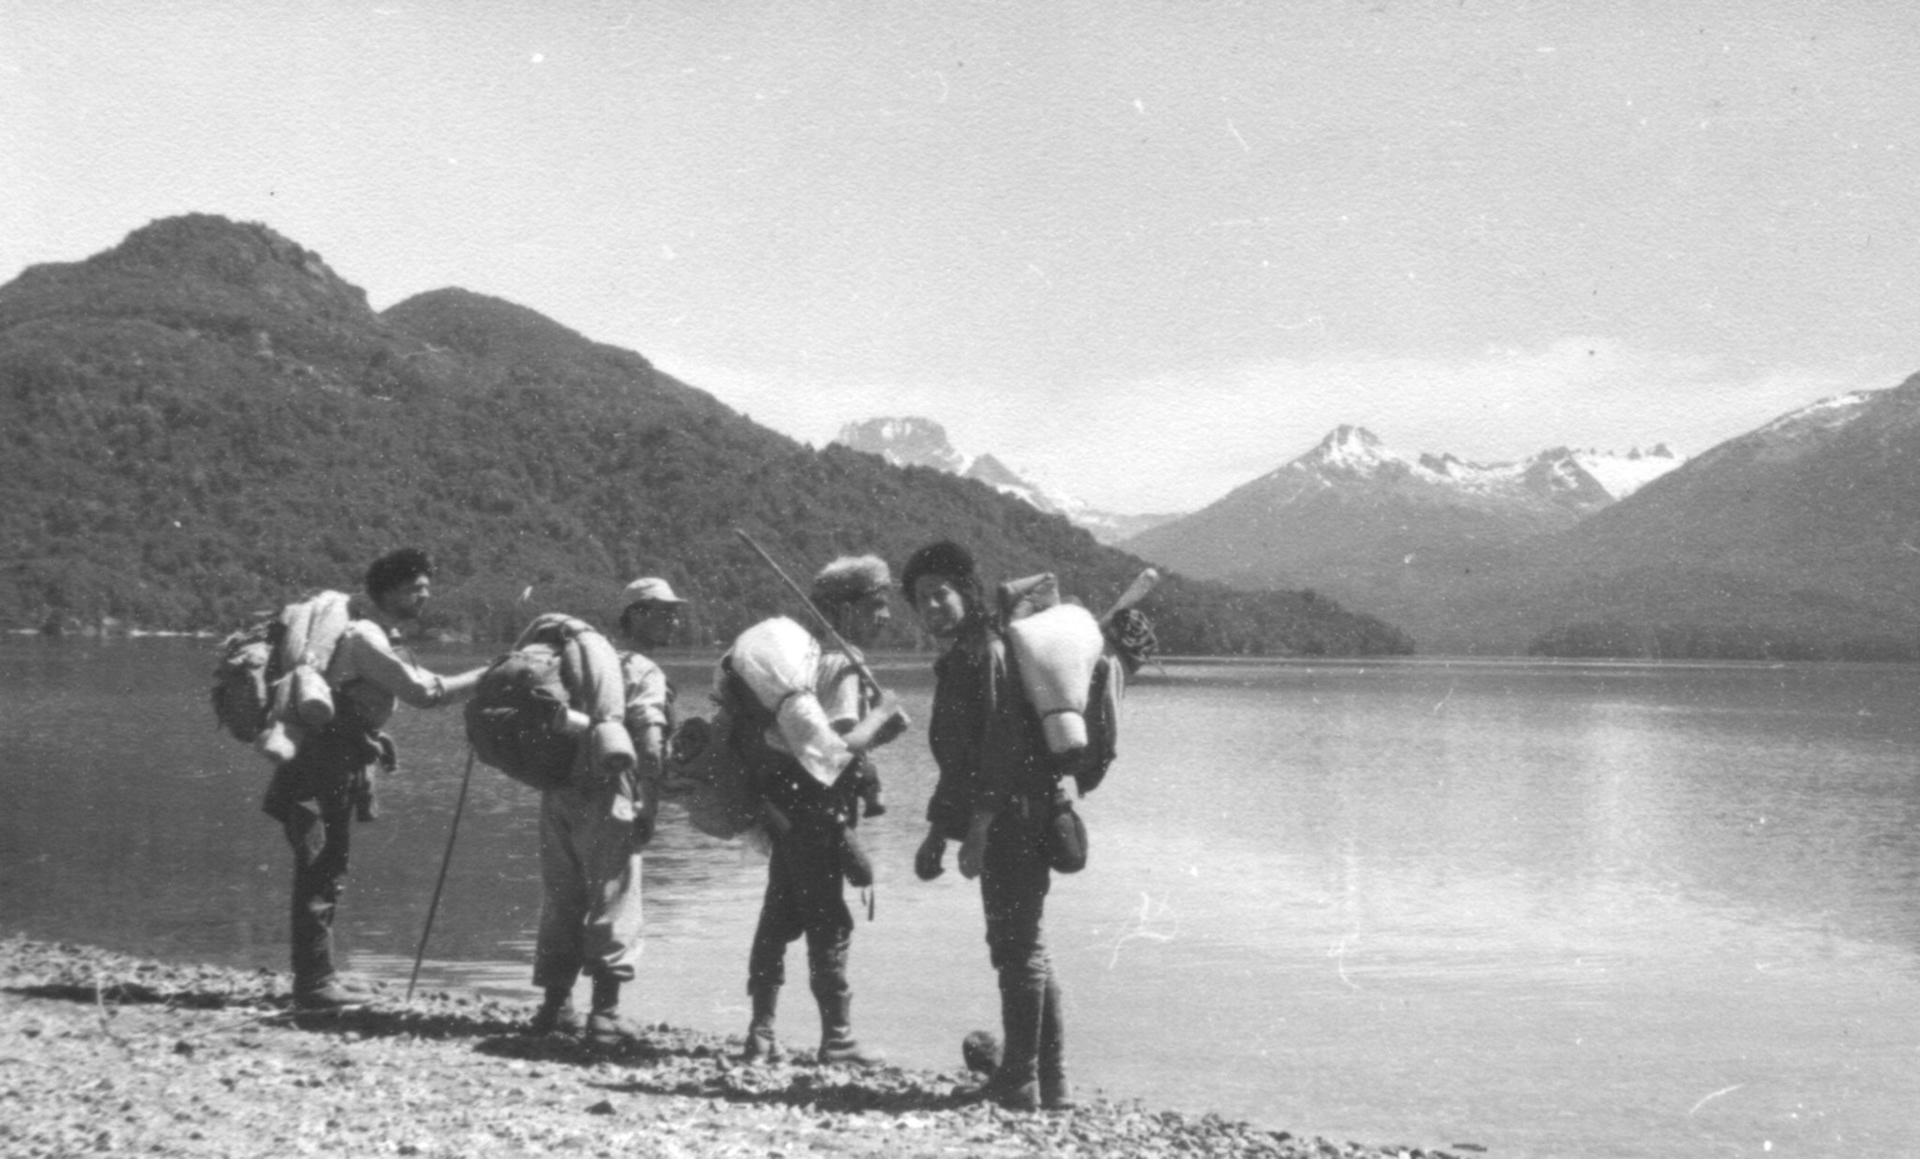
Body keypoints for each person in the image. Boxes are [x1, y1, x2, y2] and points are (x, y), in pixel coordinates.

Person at [261, 548, 487, 1012]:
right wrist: (487, 677)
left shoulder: (372, 633)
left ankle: (320, 974)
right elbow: (425, 692)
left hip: (322, 760)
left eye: (426, 587)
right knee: (321, 866)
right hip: (325, 765)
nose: (424, 596)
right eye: (414, 588)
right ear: (388, 591)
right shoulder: (365, 637)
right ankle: (314, 985)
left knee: (324, 865)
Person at [904, 540, 1074, 1111]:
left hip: (1013, 819)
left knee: (1017, 948)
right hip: (1015, 815)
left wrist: (975, 830)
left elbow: (1000, 751)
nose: (932, 607)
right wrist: (937, 831)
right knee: (1026, 946)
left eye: (941, 593)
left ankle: (1021, 1080)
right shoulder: (964, 656)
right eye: (921, 599)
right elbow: (960, 763)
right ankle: (1051, 1082)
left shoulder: (988, 653)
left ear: (967, 592)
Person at [738, 555, 908, 1066]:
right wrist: (884, 716)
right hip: (820, 815)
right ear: (845, 609)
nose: (885, 616)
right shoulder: (843, 664)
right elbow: (839, 748)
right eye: (876, 606)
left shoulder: (809, 661)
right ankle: (838, 1039)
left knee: (777, 917)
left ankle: (760, 1033)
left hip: (785, 811)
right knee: (829, 921)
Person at [526, 576, 684, 1044]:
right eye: (664, 611)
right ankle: (605, 1014)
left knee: (562, 900)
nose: (674, 621)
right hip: (611, 792)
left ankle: (555, 1008)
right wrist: (649, 803)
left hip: (559, 792)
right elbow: (650, 744)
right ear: (636, 614)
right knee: (616, 899)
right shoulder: (643, 670)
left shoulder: (585, 663)